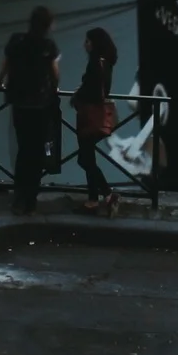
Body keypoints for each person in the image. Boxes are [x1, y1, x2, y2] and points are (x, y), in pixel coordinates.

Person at [0, 6, 59, 215]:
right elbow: (54, 75)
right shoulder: (48, 46)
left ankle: (18, 197)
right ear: (48, 25)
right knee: (38, 152)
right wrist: (54, 90)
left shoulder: (16, 41)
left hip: (19, 103)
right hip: (40, 104)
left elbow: (7, 64)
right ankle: (31, 200)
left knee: (23, 149)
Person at [73, 26, 121, 215]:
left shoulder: (94, 63)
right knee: (88, 156)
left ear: (94, 43)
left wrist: (77, 96)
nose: (85, 45)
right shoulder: (106, 62)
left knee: (84, 159)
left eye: (87, 41)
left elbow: (92, 91)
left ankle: (108, 193)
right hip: (96, 114)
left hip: (89, 116)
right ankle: (93, 199)